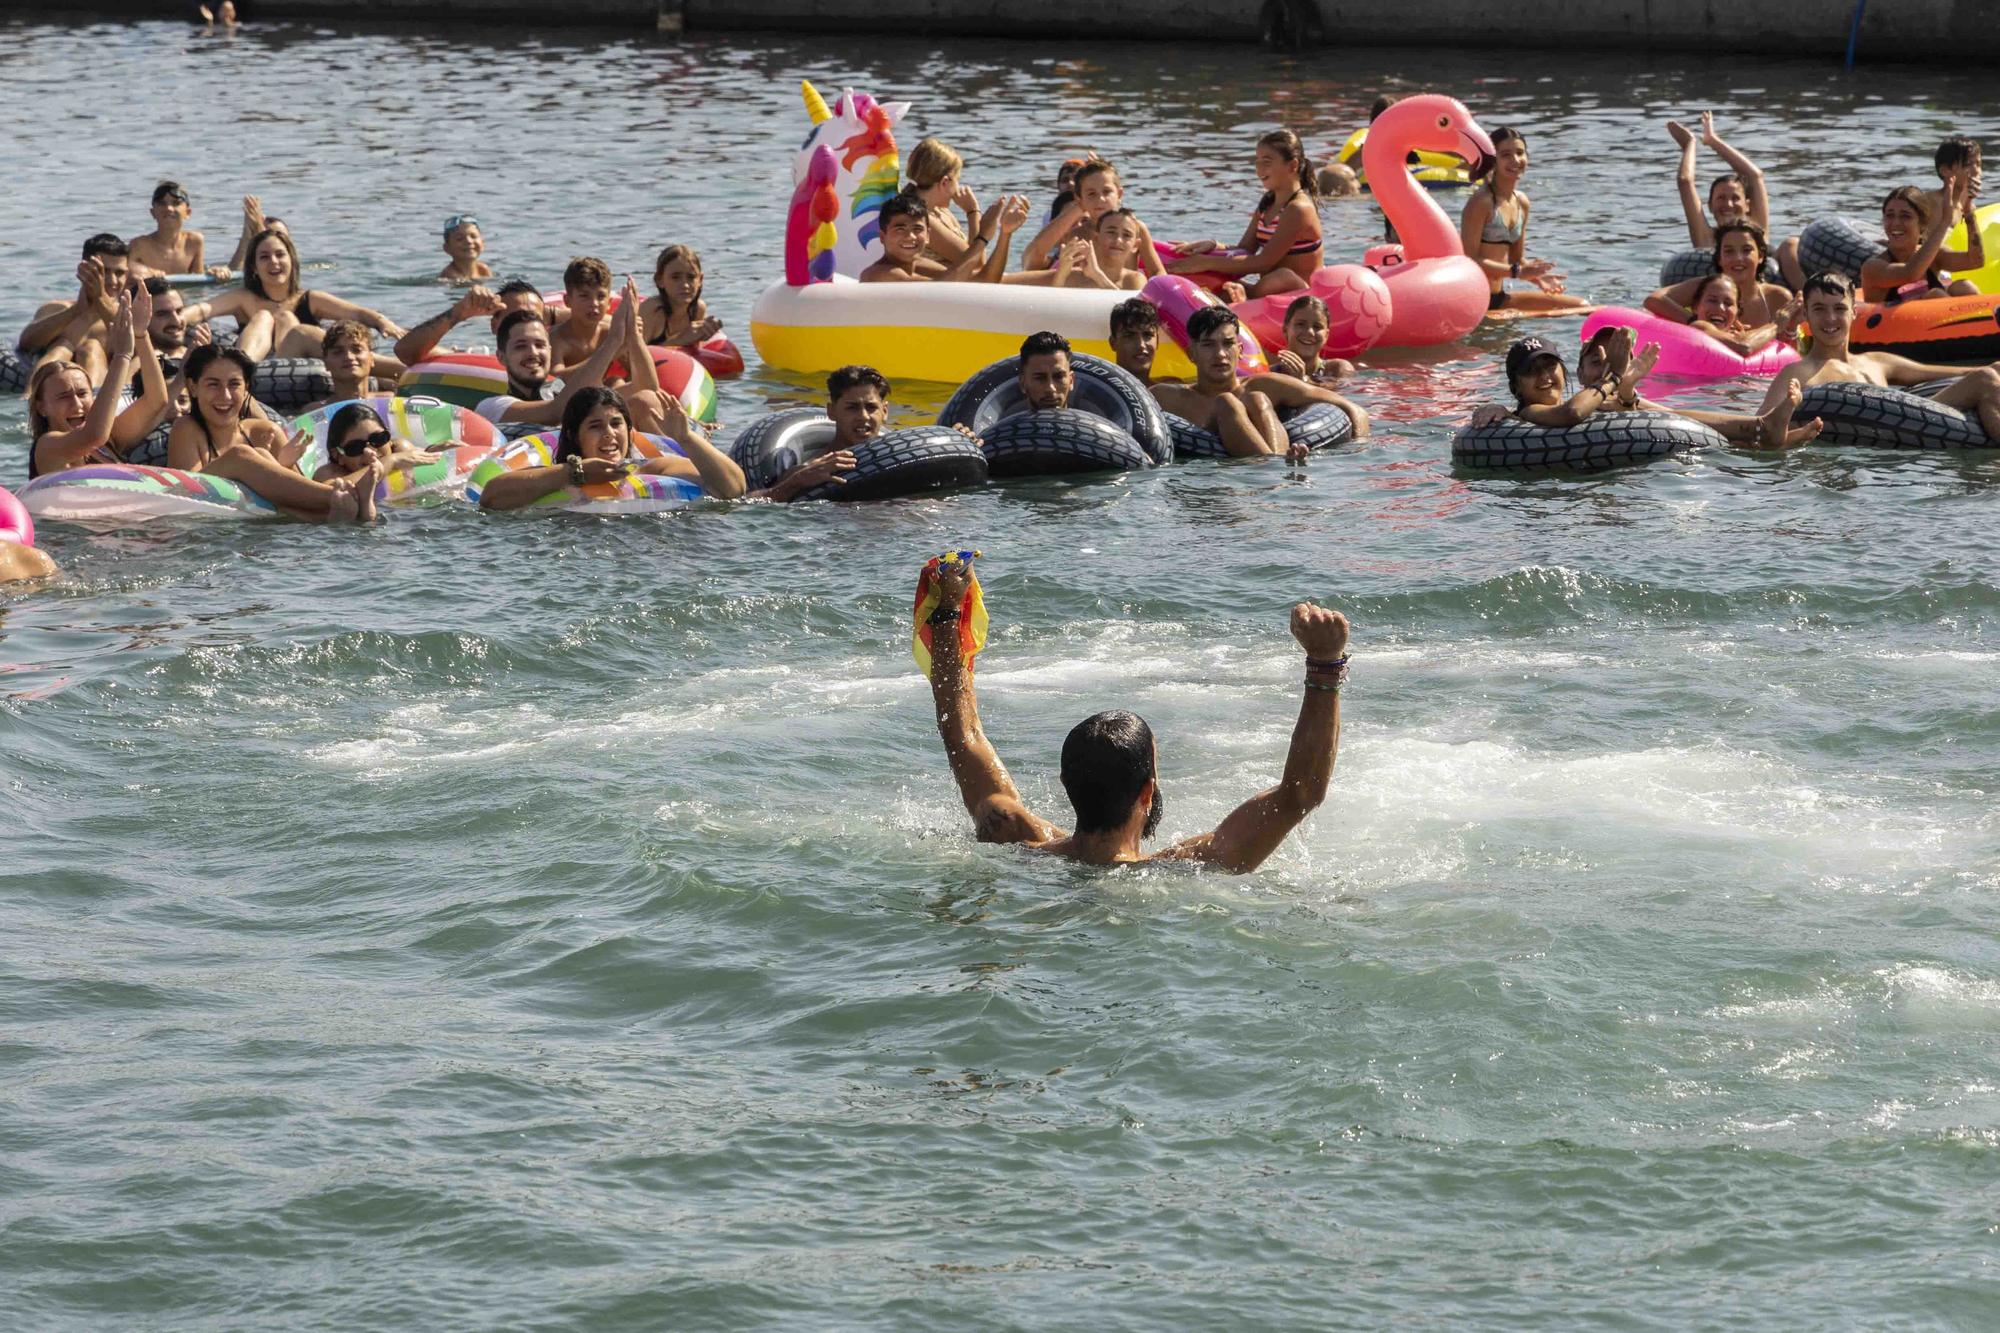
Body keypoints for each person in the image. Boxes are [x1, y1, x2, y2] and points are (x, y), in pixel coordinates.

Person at [924, 557, 1351, 872]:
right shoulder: (1185, 870)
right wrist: (1325, 664)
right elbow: (1301, 795)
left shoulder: (1013, 835)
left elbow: (964, 735)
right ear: (1147, 791)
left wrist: (947, 613)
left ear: (1065, 784)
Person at [1758, 270, 2000, 443]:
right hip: (1867, 453)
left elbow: (1948, 373)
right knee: (1986, 379)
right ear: (1806, 316)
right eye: (1819, 309)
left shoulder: (1877, 362)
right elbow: (1760, 426)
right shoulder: (1798, 372)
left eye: (1839, 309)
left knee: (1992, 373)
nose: (1830, 318)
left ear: (1854, 312)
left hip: (1917, 431)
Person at [1492, 329, 1821, 448]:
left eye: (1549, 366)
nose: (1545, 376)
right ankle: (1763, 428)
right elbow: (1574, 412)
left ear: (1565, 372)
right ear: (1516, 386)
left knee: (1666, 413)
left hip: (1635, 433)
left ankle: (1766, 432)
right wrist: (1616, 377)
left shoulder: (1604, 396)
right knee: (1665, 415)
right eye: (1532, 371)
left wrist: (1624, 385)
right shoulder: (1530, 412)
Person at [166, 344, 380, 523]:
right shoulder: (186, 428)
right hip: (206, 513)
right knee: (242, 455)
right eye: (213, 385)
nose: (225, 396)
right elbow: (187, 493)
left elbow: (301, 491)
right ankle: (344, 500)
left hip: (274, 525)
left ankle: (343, 508)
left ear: (246, 388)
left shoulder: (265, 431)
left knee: (262, 454)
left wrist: (282, 465)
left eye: (234, 384)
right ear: (193, 388)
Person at [475, 385, 745, 510]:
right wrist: (575, 473)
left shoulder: (651, 468)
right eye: (595, 426)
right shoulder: (553, 476)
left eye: (617, 424)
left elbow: (733, 489)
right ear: (573, 434)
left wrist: (686, 438)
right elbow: (490, 498)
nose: (609, 434)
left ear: (630, 431)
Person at [1155, 307, 1369, 457]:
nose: (1220, 354)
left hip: (1260, 485)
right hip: (1211, 487)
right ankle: (1276, 468)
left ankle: (1276, 467)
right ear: (1191, 353)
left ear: (1239, 351)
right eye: (1208, 345)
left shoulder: (1265, 386)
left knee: (1252, 400)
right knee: (1227, 403)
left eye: (1228, 344)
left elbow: (1353, 408)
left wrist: (1357, 451)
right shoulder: (1169, 397)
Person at [180, 227, 405, 363]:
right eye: (264, 257)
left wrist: (383, 322)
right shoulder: (245, 298)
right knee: (265, 317)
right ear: (254, 268)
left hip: (304, 366)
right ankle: (243, 368)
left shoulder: (310, 299)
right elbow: (204, 309)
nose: (274, 262)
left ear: (292, 261)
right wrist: (179, 319)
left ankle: (411, 364)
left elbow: (356, 312)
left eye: (280, 255)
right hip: (264, 367)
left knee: (288, 319)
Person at [26, 288, 170, 478]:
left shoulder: (108, 441)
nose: (77, 404)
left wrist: (141, 335)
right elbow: (93, 435)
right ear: (41, 407)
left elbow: (156, 400)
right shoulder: (47, 446)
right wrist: (122, 356)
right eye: (63, 396)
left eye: (82, 394)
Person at [1166, 130, 1323, 302]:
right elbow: (1246, 250)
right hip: (1267, 291)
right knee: (1212, 285)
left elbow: (1264, 262)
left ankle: (1244, 298)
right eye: (1257, 162)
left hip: (1300, 294)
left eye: (1267, 162)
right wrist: (1213, 247)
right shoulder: (1268, 203)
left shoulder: (1299, 208)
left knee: (1281, 276)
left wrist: (1206, 262)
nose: (1259, 169)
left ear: (1292, 166)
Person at [1460, 127, 1589, 316]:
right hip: (1472, 300)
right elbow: (1469, 261)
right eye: (1505, 155)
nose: (1515, 160)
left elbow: (1516, 259)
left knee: (1582, 306)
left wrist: (1538, 277)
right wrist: (1518, 272)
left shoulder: (1521, 202)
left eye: (1520, 153)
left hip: (1498, 297)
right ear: (1493, 161)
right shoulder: (1481, 203)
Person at [1642, 221, 1797, 355]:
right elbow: (1653, 300)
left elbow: (1790, 352)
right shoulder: (1706, 287)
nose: (1738, 258)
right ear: (1719, 258)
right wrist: (1697, 324)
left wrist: (1790, 328)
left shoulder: (1778, 297)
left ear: (1761, 256)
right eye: (1729, 251)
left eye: (1746, 250)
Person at [1023, 160, 1166, 278]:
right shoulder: (1077, 235)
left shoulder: (1136, 228)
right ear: (1080, 200)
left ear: (1120, 194)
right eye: (1091, 194)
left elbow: (1157, 272)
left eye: (1107, 191)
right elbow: (1074, 277)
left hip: (1126, 296)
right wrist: (1079, 208)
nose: (1100, 199)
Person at [16, 234, 132, 377]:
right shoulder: (56, 309)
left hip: (104, 390)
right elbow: (26, 344)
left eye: (120, 273)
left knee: (91, 349)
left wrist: (100, 298)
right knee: (61, 348)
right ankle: (30, 397)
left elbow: (142, 352)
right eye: (104, 271)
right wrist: (75, 311)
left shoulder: (130, 316)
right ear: (84, 269)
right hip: (53, 385)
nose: (113, 281)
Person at [859, 190, 1028, 284]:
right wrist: (982, 237)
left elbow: (983, 281)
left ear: (928, 236)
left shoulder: (918, 265)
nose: (910, 236)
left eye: (917, 229)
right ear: (882, 236)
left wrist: (1005, 234)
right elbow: (943, 290)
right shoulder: (880, 274)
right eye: (900, 229)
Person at [1859, 181, 1982, 304]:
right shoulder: (1873, 268)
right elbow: (1910, 274)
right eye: (1890, 216)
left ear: (1922, 225)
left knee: (1964, 287)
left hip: (1940, 317)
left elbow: (1975, 261)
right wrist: (1945, 222)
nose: (1896, 223)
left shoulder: (1934, 256)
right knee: (1935, 295)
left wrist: (1969, 215)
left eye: (1905, 216)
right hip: (1891, 322)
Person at [1666, 111, 1770, 251]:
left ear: (1747, 205)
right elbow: (1685, 181)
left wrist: (1712, 140)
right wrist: (1689, 144)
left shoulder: (1758, 232)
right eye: (1721, 198)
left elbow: (1754, 175)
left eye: (1735, 198)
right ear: (1709, 206)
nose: (1728, 204)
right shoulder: (1706, 239)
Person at [391, 279, 540, 366]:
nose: (526, 325)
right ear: (495, 326)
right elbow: (406, 352)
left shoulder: (557, 357)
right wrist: (458, 313)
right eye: (516, 318)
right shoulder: (482, 361)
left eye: (534, 318)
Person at [311, 401, 440, 484]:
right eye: (355, 447)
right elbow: (327, 493)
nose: (370, 451)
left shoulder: (400, 448)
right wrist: (390, 461)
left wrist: (435, 450)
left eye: (378, 439)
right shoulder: (329, 474)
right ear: (338, 456)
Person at [905, 137, 983, 269]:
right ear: (944, 182)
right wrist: (973, 212)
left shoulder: (941, 211)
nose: (958, 186)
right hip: (943, 287)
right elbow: (977, 263)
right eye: (957, 179)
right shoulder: (921, 218)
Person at [639, 245, 723, 349]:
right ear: (659, 280)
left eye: (691, 277)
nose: (685, 285)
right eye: (675, 277)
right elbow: (628, 358)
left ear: (700, 280)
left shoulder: (697, 309)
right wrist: (680, 340)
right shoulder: (652, 311)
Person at [129, 182, 217, 279]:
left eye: (176, 203)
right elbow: (122, 269)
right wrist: (145, 271)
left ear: (188, 212)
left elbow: (198, 281)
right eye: (162, 203)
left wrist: (213, 273)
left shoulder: (194, 242)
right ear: (153, 213)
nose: (169, 208)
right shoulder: (139, 245)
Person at [1265, 294, 1356, 385]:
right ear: (1285, 330)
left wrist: (1303, 380)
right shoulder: (1269, 375)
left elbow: (1341, 396)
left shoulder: (1338, 369)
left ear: (1326, 335)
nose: (1309, 332)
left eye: (1317, 327)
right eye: (1300, 324)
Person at [303, 320, 387, 411]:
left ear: (371, 359)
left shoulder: (391, 401)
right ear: (326, 363)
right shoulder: (314, 412)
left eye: (356, 350)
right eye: (338, 352)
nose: (349, 357)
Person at [550, 256, 614, 370]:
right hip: (571, 388)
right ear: (567, 301)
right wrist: (610, 351)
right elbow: (555, 382)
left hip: (604, 385)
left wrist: (634, 337)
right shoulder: (557, 339)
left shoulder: (609, 334)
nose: (594, 303)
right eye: (584, 296)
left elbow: (644, 379)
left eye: (601, 296)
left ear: (609, 302)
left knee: (615, 381)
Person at [1107, 297, 1160, 383]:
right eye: (1129, 336)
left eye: (1147, 335)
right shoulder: (1097, 391)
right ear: (1113, 343)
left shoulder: (1171, 392)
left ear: (1157, 342)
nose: (1141, 345)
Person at [438, 214, 493, 283]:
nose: (468, 241)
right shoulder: (450, 276)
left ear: (483, 243)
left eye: (473, 236)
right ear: (447, 248)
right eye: (459, 239)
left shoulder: (482, 269)